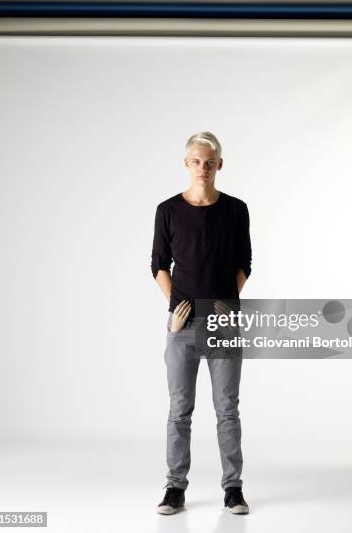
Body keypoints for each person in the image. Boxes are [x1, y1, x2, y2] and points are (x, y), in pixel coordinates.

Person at [151, 131, 252, 515]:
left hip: (224, 323)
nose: (203, 168)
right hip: (183, 325)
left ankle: (234, 488)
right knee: (180, 409)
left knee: (227, 408)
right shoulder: (168, 210)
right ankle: (175, 487)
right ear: (186, 164)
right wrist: (175, 308)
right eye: (196, 161)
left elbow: (245, 260)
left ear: (219, 165)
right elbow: (159, 264)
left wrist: (228, 301)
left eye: (210, 162)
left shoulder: (236, 209)